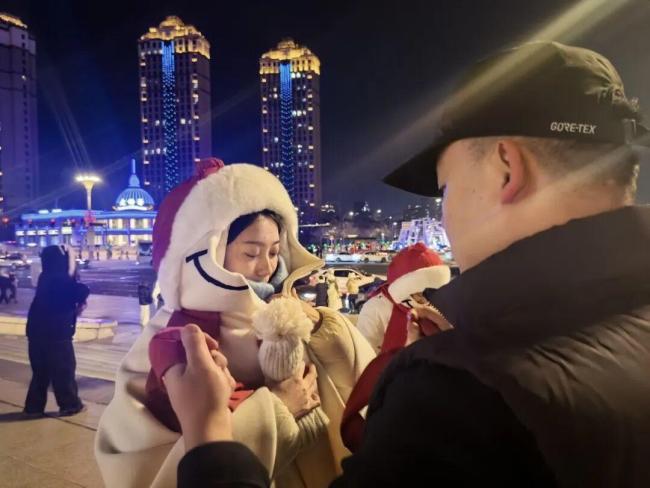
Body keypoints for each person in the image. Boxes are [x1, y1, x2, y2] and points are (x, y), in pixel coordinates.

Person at [169, 41, 650, 486]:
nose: (445, 212)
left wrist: (210, 437)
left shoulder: (461, 392)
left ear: (507, 168)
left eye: (446, 187)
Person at [95, 159, 375, 488]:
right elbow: (143, 467)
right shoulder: (174, 338)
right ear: (210, 253)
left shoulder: (290, 316)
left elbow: (365, 384)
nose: (266, 268)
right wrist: (277, 411)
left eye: (274, 252)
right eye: (251, 253)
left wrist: (324, 328)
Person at [23, 245, 89, 418]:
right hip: (56, 335)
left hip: (36, 333)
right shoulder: (61, 280)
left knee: (40, 373)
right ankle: (70, 405)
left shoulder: (45, 277)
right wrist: (72, 267)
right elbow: (81, 291)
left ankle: (33, 408)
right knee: (64, 371)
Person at [356, 243, 450, 352]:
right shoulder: (376, 308)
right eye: (422, 294)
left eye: (437, 292)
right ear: (406, 290)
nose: (429, 301)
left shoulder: (445, 306)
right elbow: (366, 355)